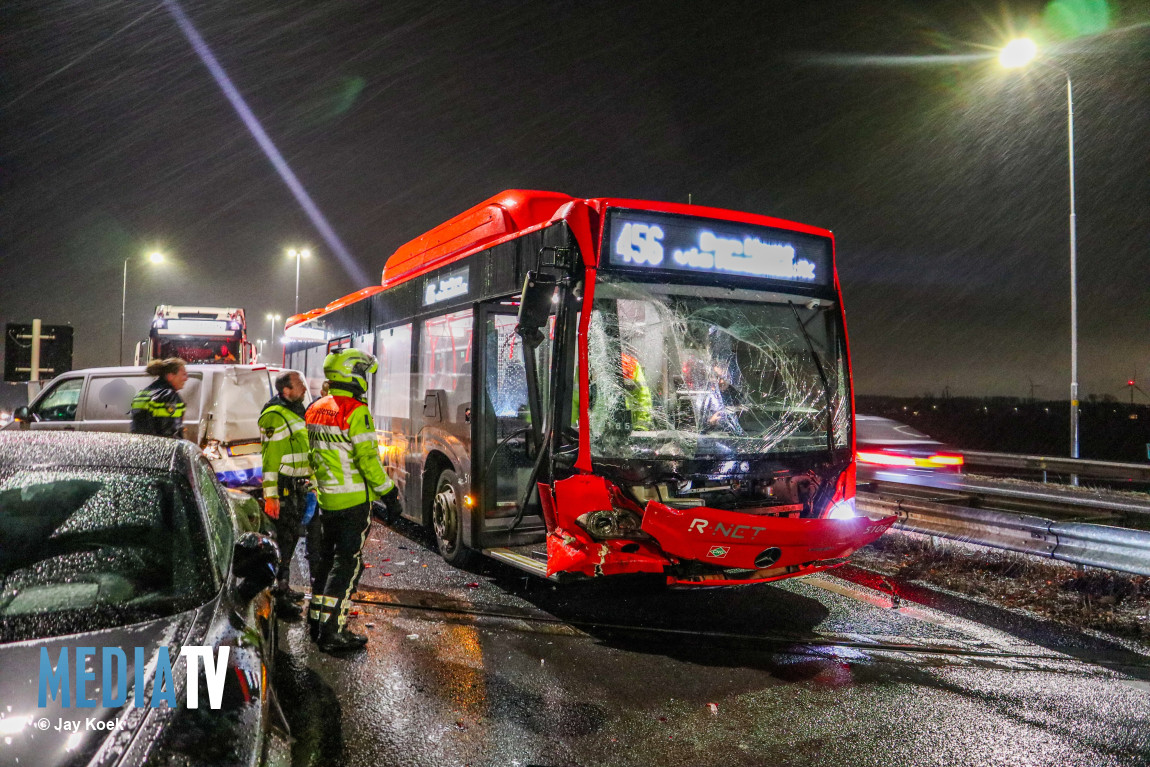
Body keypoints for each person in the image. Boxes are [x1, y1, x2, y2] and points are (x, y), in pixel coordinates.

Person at [305, 349, 402, 652]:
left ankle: (317, 622)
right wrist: (389, 493)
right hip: (352, 503)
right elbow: (368, 461)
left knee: (325, 563)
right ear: (353, 375)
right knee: (346, 566)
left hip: (327, 500)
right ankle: (332, 631)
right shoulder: (356, 411)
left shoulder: (315, 407)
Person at [258, 371, 315, 620]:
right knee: (283, 541)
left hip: (295, 486)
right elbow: (270, 460)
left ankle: (284, 588)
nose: (304, 388)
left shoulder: (295, 411)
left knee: (290, 541)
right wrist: (271, 496)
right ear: (285, 391)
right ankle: (278, 598)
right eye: (299, 385)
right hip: (283, 489)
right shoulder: (275, 416)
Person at [130, 358, 188, 438]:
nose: (186, 378)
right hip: (160, 448)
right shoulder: (168, 395)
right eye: (183, 374)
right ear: (170, 376)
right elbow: (169, 432)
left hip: (141, 446)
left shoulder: (142, 394)